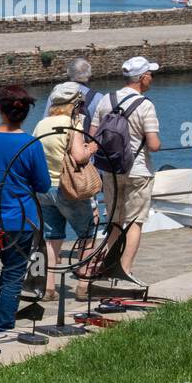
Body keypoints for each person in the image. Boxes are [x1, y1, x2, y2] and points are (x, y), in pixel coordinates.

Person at [0, 86, 51, 340]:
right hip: (20, 219)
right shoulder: (30, 144)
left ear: (0, 109)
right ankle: (2, 328)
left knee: (9, 267)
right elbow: (43, 184)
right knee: (14, 274)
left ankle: (0, 321)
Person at [90, 57, 161, 286]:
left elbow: (93, 136)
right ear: (142, 78)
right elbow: (153, 145)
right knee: (134, 222)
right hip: (138, 170)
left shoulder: (106, 100)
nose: (152, 77)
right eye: (150, 73)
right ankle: (125, 271)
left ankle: (110, 266)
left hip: (111, 169)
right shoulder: (145, 105)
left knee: (115, 220)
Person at [34, 82, 99, 300]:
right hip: (68, 188)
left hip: (44, 189)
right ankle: (84, 285)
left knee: (52, 237)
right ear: (75, 104)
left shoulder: (41, 124)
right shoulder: (73, 124)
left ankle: (49, 287)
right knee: (88, 232)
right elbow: (79, 156)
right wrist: (91, 148)